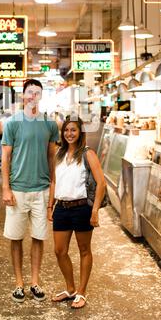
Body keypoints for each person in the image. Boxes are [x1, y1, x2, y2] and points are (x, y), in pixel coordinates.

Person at [1, 79, 59, 303]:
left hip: (42, 189)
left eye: (37, 93)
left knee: (38, 237)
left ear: (41, 96)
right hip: (18, 189)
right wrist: (6, 188)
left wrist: (53, 191)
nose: (33, 96)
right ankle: (19, 283)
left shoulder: (50, 124)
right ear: (23, 96)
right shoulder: (13, 123)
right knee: (16, 238)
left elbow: (51, 157)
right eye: (29, 92)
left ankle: (35, 282)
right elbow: (5, 158)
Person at [47, 116, 106, 309]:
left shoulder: (88, 154)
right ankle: (70, 289)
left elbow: (101, 184)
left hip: (82, 208)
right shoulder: (59, 154)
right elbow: (54, 182)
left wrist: (95, 210)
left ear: (80, 132)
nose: (69, 134)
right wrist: (50, 206)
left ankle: (81, 292)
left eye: (73, 130)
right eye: (66, 130)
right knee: (59, 251)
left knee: (84, 250)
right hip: (62, 209)